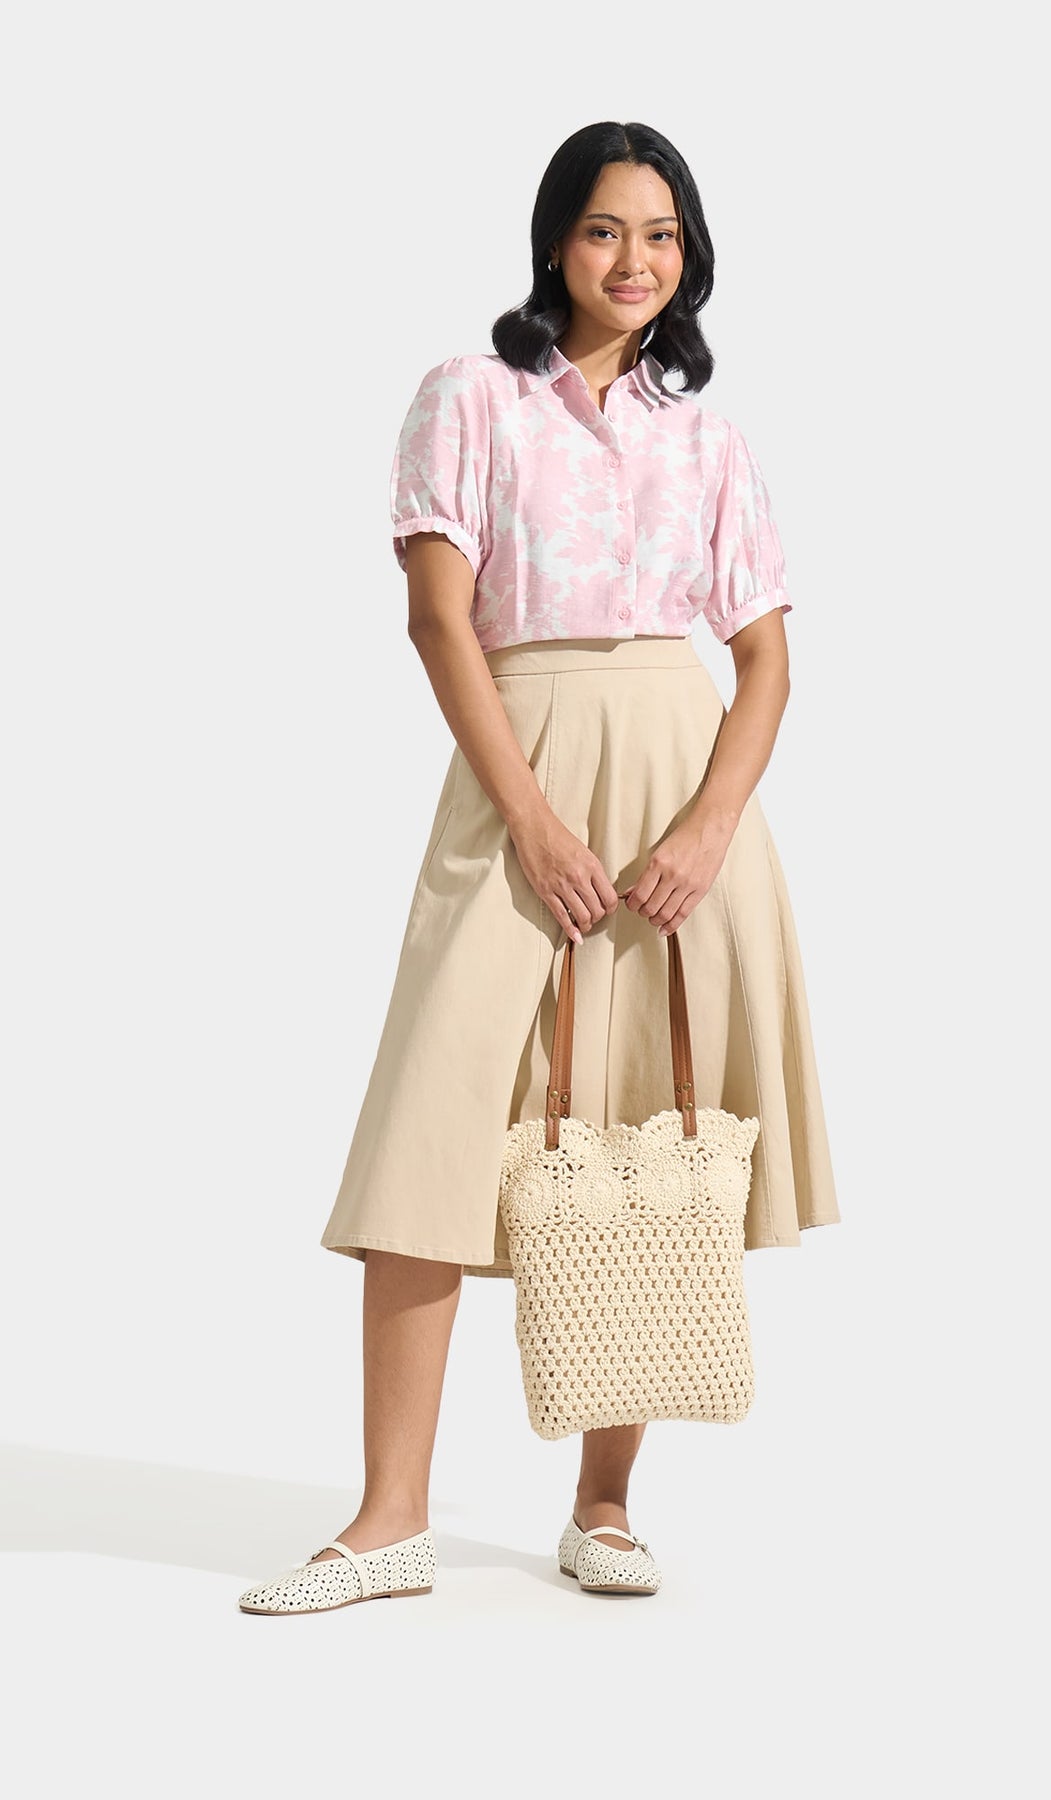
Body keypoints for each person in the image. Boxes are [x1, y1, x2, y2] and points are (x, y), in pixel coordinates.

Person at [237, 119, 840, 1616]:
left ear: (690, 255)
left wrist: (707, 827)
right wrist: (533, 821)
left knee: (640, 1134)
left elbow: (766, 660)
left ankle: (605, 1505)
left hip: (682, 797)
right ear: (555, 242)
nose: (634, 260)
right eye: (604, 230)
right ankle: (390, 1521)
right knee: (429, 1136)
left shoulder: (710, 440)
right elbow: (440, 619)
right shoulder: (473, 397)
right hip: (523, 781)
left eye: (661, 234)